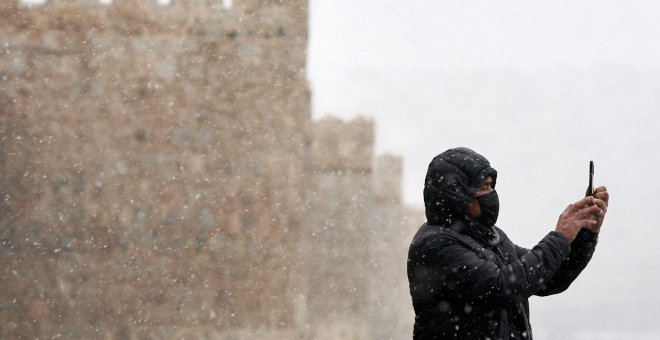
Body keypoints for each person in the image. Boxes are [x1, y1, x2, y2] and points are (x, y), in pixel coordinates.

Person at [407, 147, 609, 339]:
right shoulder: (435, 244)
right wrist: (560, 236)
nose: (492, 193)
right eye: (484, 187)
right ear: (458, 194)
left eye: (491, 186)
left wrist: (586, 233)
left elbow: (551, 277)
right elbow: (502, 287)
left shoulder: (491, 237)